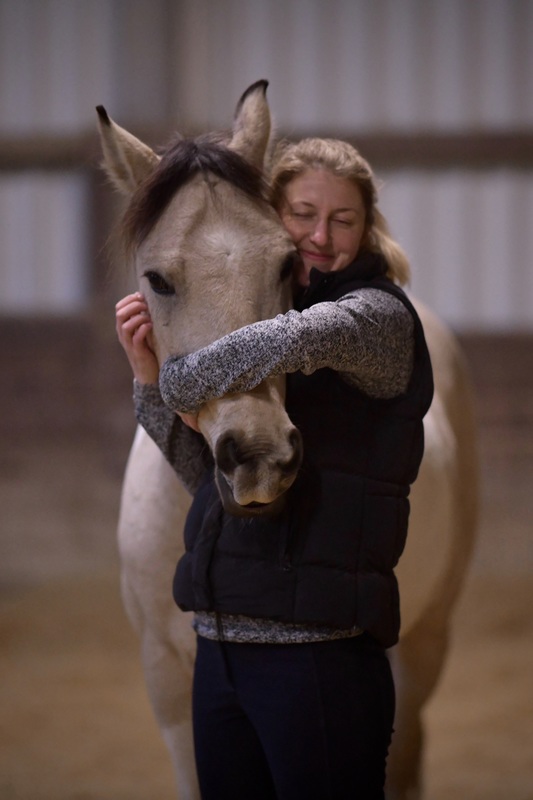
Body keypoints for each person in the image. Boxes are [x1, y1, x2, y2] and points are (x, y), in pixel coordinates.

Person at [115, 137, 433, 799]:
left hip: (318, 653)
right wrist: (146, 382)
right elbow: (202, 479)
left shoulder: (371, 319)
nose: (320, 235)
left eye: (342, 219)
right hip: (224, 647)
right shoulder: (257, 373)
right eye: (303, 213)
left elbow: (281, 340)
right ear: (273, 216)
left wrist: (173, 376)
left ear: (365, 226)